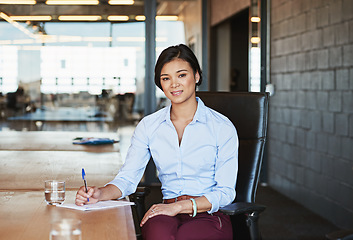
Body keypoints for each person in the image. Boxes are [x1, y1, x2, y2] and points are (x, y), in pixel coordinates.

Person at [75, 44, 239, 240]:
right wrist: (99, 194)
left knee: (189, 236)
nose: (174, 84)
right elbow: (127, 179)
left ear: (196, 76)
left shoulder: (221, 126)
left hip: (209, 213)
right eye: (166, 78)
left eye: (181, 75)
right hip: (166, 209)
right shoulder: (150, 126)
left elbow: (226, 192)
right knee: (158, 234)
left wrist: (180, 207)